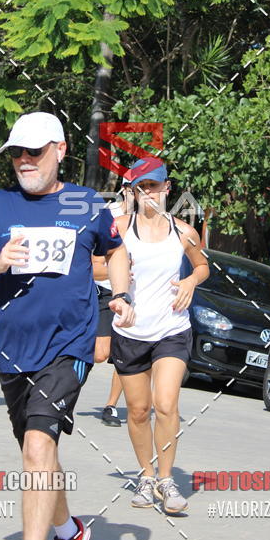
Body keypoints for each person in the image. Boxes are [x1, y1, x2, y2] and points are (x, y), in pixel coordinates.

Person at [0, 111, 134, 540]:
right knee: (40, 457)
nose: (24, 161)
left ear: (60, 149)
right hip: (14, 349)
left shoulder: (85, 202)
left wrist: (121, 295)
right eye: (17, 152)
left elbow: (117, 251)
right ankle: (68, 531)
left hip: (69, 346)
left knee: (38, 445)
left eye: (34, 151)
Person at [111, 157, 209, 513]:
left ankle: (167, 480)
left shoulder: (183, 231)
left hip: (172, 329)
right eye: (141, 188)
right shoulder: (119, 227)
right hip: (131, 330)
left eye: (154, 186)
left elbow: (203, 266)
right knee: (139, 411)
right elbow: (92, 265)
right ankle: (146, 475)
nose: (148, 194)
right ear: (134, 192)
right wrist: (117, 277)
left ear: (167, 188)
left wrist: (190, 281)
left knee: (166, 404)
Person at [93, 180, 135, 427]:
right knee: (101, 354)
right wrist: (120, 272)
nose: (139, 192)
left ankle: (111, 406)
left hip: (135, 297)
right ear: (125, 189)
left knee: (124, 355)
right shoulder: (109, 215)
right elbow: (93, 266)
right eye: (134, 187)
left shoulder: (153, 221)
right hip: (106, 292)